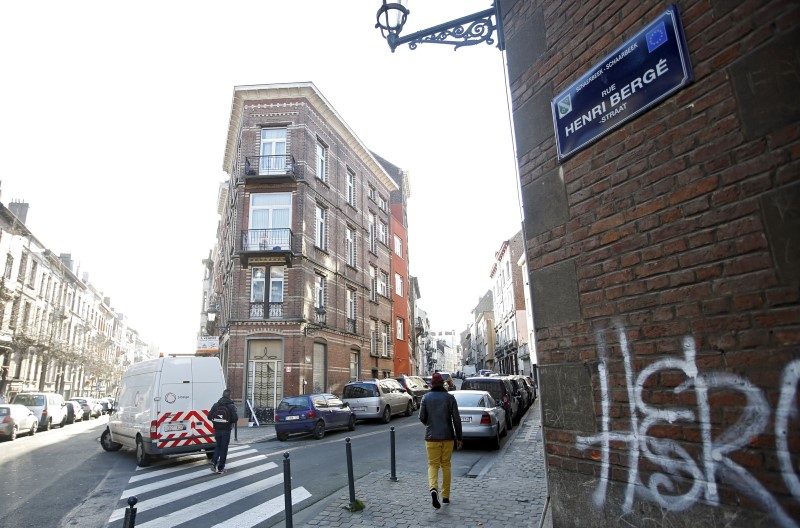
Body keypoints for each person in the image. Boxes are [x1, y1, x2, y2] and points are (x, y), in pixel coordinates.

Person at [419, 372, 463, 509]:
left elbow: (421, 417)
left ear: (431, 384)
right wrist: (459, 437)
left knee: (433, 465)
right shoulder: (450, 398)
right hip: (447, 436)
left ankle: (433, 489)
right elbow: (456, 419)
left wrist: (429, 424)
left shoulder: (425, 398)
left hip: (431, 437)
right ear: (443, 384)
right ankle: (445, 496)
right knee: (446, 465)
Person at [209, 388, 238, 475]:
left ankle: (214, 461)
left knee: (218, 446)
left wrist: (216, 421)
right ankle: (221, 468)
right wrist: (229, 421)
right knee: (224, 448)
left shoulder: (216, 405)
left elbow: (209, 416)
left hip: (217, 429)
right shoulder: (231, 406)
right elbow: (235, 418)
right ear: (230, 396)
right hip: (226, 430)